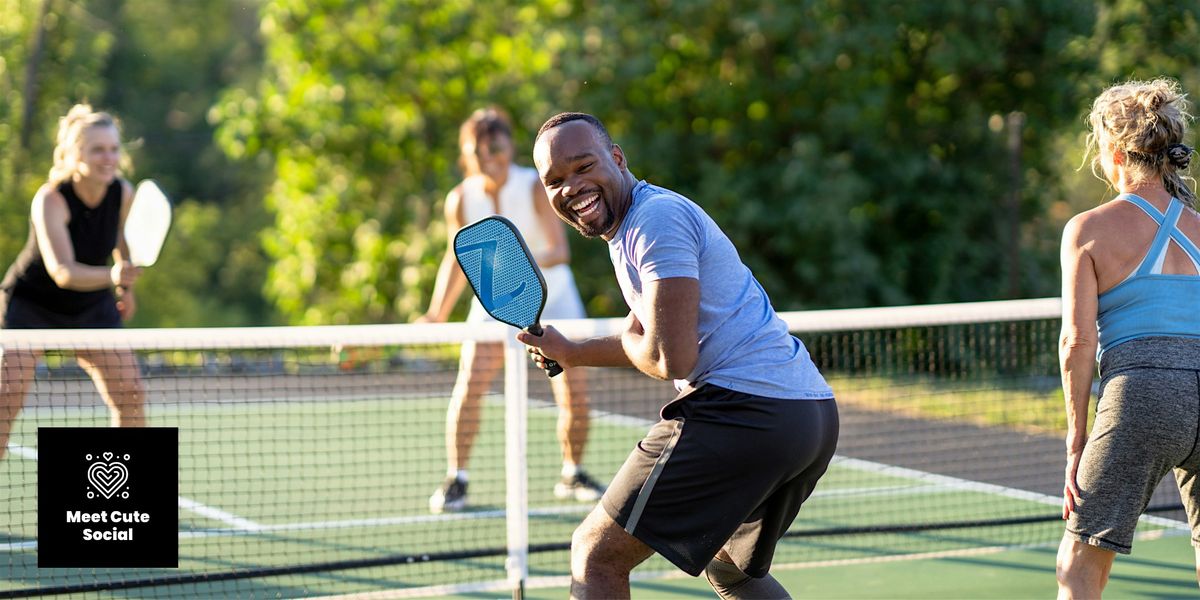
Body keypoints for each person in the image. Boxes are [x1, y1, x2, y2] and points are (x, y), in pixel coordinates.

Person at [518, 112, 839, 599]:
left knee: (595, 553)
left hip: (745, 410)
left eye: (584, 166)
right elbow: (656, 337)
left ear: (618, 158)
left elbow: (672, 358)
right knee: (729, 569)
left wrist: (631, 341)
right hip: (806, 415)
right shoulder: (631, 226)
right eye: (555, 180)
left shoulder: (654, 220)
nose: (572, 187)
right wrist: (573, 352)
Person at [1057, 78, 1200, 598]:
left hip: (1143, 394)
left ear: (1114, 152)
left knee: (1078, 564)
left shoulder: (1088, 229)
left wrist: (1077, 442)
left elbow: (1077, 341)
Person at [421, 107, 603, 513]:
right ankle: (457, 478)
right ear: (467, 154)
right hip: (492, 306)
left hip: (554, 299)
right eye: (478, 150)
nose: (489, 157)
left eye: (496, 147)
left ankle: (572, 472)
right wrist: (436, 313)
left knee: (573, 390)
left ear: (508, 147)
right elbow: (455, 260)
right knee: (469, 385)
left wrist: (515, 268)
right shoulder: (460, 198)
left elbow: (559, 250)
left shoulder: (534, 186)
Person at [0, 103, 145, 460]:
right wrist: (113, 278)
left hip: (92, 304)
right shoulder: (50, 199)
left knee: (131, 392)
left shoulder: (122, 193)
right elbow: (63, 271)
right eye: (97, 150)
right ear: (74, 154)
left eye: (113, 149)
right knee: (7, 397)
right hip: (31, 306)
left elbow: (121, 247)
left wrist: (126, 289)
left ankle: (128, 495)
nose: (108, 158)